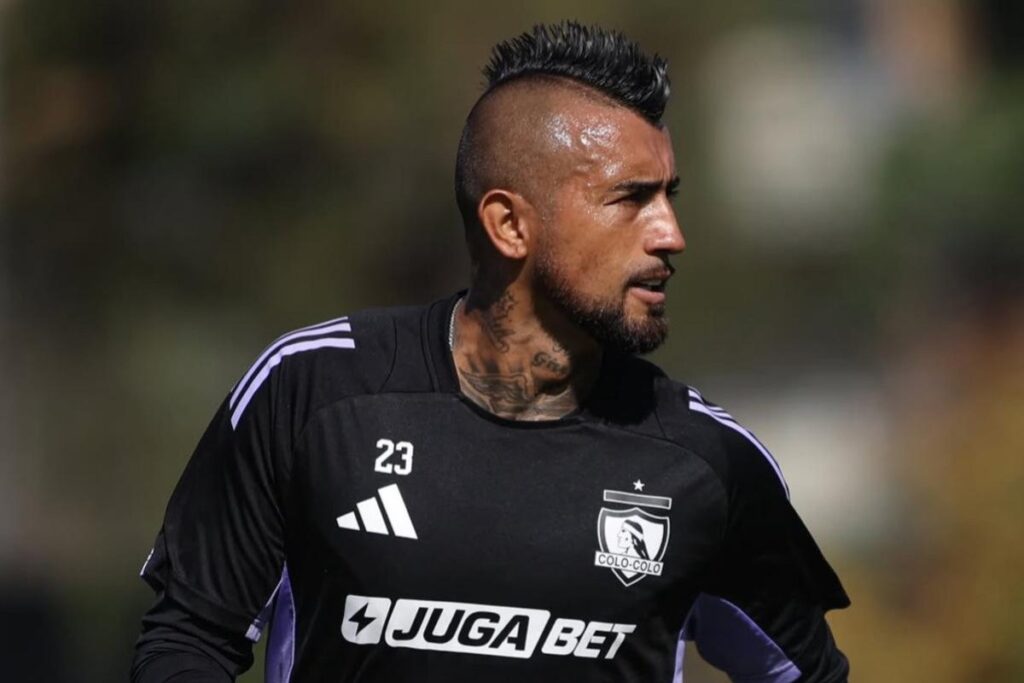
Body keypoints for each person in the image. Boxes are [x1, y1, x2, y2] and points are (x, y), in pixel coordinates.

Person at [131, 21, 850, 683]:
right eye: (631, 199)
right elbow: (187, 640)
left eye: (670, 195)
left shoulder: (708, 462)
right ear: (509, 224)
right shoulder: (314, 392)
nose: (670, 232)